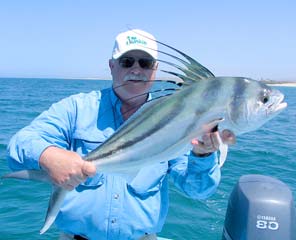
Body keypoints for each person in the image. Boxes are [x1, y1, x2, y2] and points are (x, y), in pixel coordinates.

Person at [7, 29, 235, 240]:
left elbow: (197, 190)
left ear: (155, 70)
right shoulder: (77, 108)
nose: (136, 69)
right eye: (127, 62)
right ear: (111, 66)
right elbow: (21, 143)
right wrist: (49, 156)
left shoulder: (179, 120)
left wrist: (203, 156)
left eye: (145, 63)